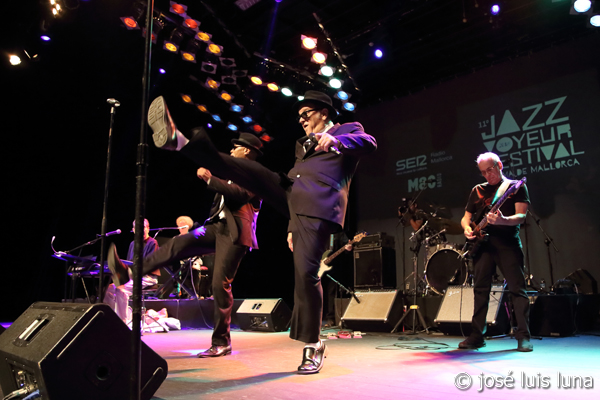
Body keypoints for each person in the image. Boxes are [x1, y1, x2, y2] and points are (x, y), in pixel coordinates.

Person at [141, 91, 377, 373]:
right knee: (248, 170)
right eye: (299, 116)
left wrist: (337, 141)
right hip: (292, 196)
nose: (301, 120)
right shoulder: (303, 145)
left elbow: (369, 142)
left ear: (324, 113)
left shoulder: (346, 130)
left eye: (306, 114)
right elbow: (299, 178)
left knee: (306, 274)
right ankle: (180, 141)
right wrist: (291, 226)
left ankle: (313, 344)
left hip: (318, 207)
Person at [109, 132, 263, 357]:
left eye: (235, 147)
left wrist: (210, 179)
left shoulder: (255, 174)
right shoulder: (232, 172)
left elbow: (240, 194)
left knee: (220, 285)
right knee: (179, 242)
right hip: (215, 227)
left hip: (235, 233)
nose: (231, 151)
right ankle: (130, 272)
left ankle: (222, 342)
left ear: (246, 150)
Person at [458, 152, 532, 352]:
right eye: (483, 172)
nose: (487, 175)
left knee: (517, 289)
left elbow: (521, 216)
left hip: (507, 243)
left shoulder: (515, 186)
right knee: (480, 290)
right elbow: (466, 217)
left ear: (499, 165)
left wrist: (503, 220)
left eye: (490, 170)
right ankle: (477, 336)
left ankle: (523, 336)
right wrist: (466, 228)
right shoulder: (477, 190)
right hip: (483, 245)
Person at [104, 219, 159, 323]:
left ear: (148, 229)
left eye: (143, 227)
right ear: (133, 230)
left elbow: (150, 265)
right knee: (108, 290)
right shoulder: (132, 244)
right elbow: (130, 264)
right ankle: (113, 319)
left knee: (121, 290)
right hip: (134, 277)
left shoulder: (153, 243)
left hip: (148, 278)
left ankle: (122, 322)